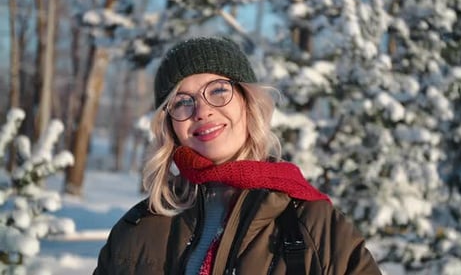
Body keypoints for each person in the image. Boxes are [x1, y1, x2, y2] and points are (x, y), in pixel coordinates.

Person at [93, 36, 381, 275]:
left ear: (248, 101)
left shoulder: (317, 226)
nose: (203, 111)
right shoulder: (136, 229)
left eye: (218, 90)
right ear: (169, 123)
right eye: (182, 101)